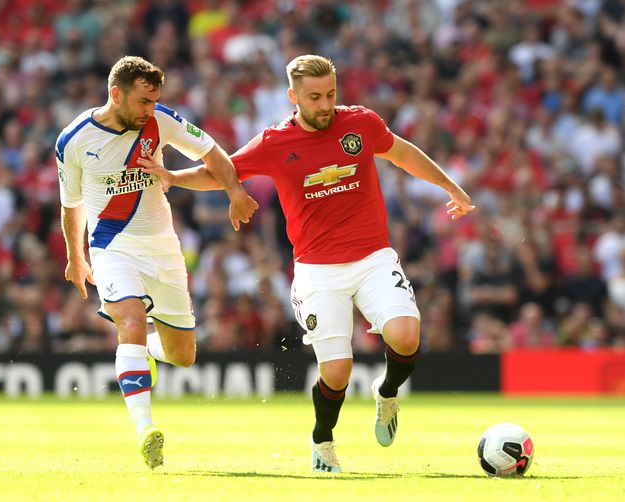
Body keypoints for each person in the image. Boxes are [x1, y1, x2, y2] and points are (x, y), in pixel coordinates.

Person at [138, 54, 474, 473]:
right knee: (336, 371)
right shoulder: (275, 141)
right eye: (314, 97)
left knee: (406, 337)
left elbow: (403, 154)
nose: (325, 104)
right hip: (317, 270)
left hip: (372, 256)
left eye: (331, 93)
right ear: (293, 96)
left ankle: (387, 394)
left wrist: (451, 186)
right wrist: (173, 177)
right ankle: (322, 440)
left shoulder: (361, 122)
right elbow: (225, 172)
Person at [56, 56, 257, 469]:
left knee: (182, 355)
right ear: (116, 94)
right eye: (144, 101)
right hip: (112, 246)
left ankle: (144, 352)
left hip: (164, 248)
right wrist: (76, 257)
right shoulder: (73, 140)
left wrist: (234, 192)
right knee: (129, 323)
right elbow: (71, 205)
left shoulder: (161, 121)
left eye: (155, 100)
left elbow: (213, 151)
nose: (150, 109)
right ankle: (146, 429)